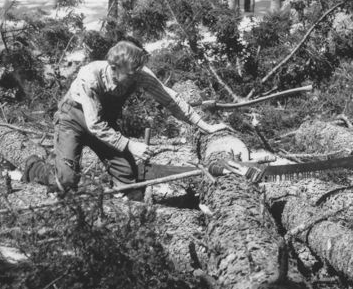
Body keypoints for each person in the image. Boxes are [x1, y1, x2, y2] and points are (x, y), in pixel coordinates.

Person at [23, 40, 229, 194]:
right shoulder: (90, 77)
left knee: (128, 175)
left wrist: (205, 126)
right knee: (65, 182)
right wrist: (132, 145)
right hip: (73, 120)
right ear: (113, 68)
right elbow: (94, 125)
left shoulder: (137, 73)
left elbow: (171, 100)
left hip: (104, 124)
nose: (136, 78)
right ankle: (35, 167)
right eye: (131, 75)